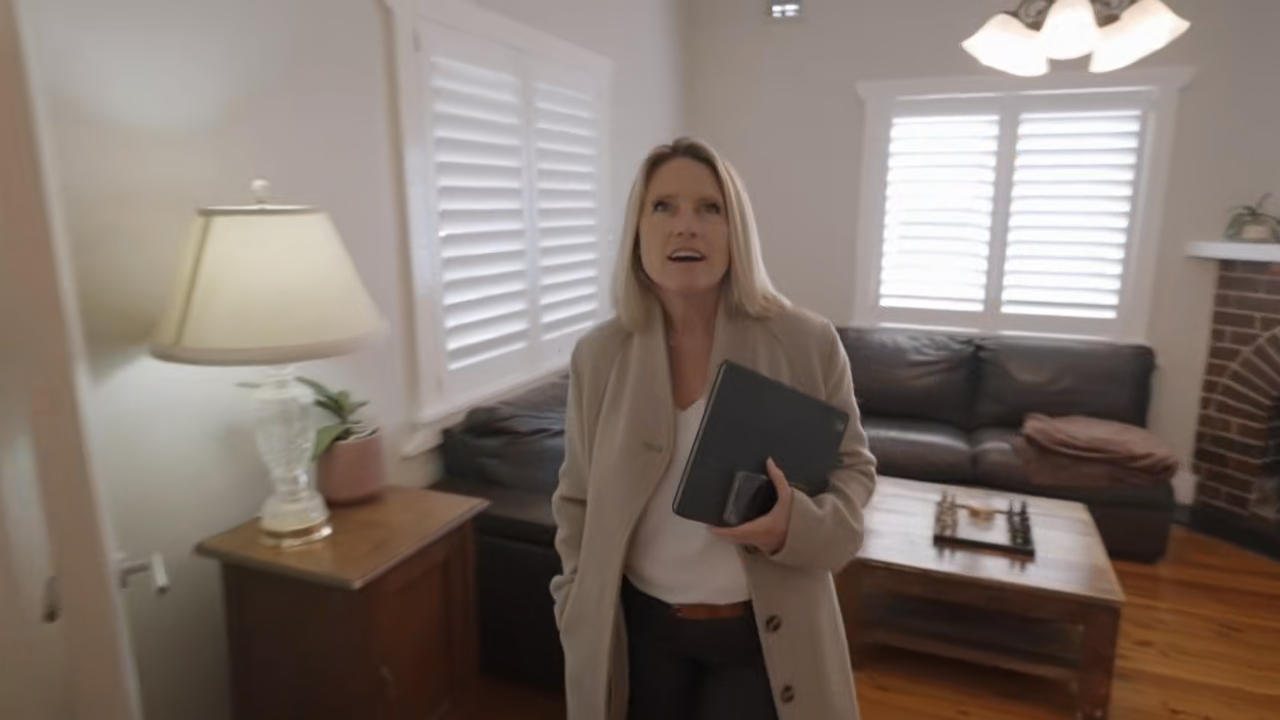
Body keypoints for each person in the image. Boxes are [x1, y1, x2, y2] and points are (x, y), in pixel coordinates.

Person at [549, 137, 877, 720]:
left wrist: (793, 526)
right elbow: (576, 497)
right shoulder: (597, 356)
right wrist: (573, 596)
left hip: (761, 636)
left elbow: (853, 472)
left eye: (709, 208)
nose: (686, 226)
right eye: (663, 207)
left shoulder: (806, 342)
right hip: (638, 633)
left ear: (736, 230)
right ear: (637, 232)